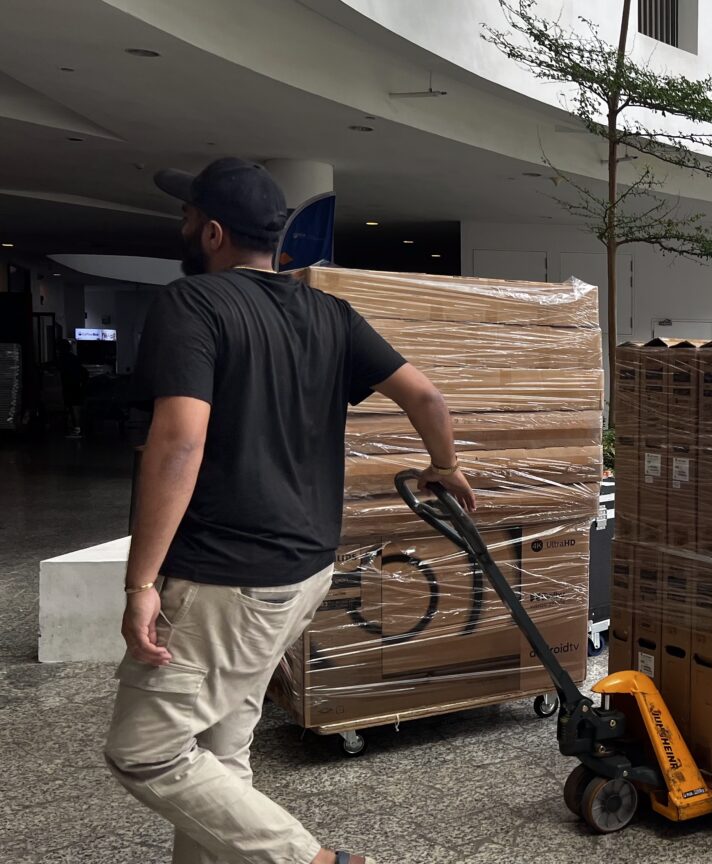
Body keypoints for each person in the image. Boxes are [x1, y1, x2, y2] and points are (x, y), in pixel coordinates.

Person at [102, 157, 476, 864]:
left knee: (144, 750)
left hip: (224, 577)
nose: (180, 226)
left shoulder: (194, 305)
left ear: (211, 232)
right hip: (303, 571)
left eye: (186, 217)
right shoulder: (329, 312)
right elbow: (427, 398)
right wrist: (445, 467)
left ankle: (311, 861)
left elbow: (180, 442)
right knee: (219, 748)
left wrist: (141, 584)